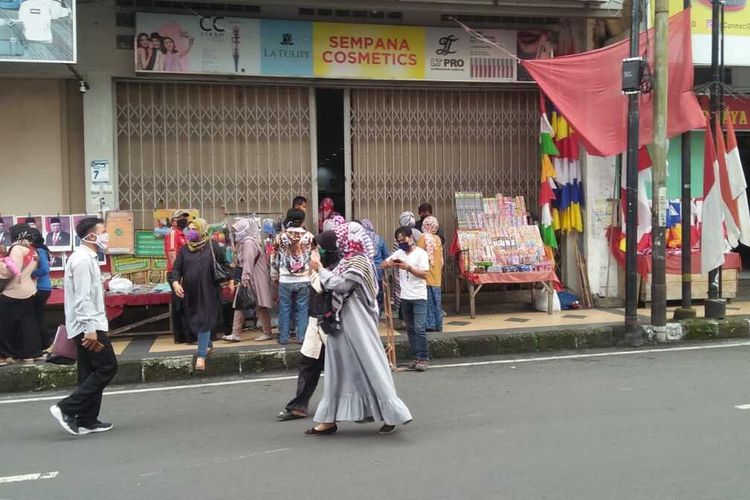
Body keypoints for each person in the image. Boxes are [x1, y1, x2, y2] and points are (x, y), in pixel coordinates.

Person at [307, 222, 412, 436]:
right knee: (337, 367)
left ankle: (392, 414)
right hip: (340, 320)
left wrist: (319, 269)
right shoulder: (347, 260)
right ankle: (328, 419)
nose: (337, 242)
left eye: (339, 237)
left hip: (358, 321)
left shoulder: (360, 261)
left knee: (370, 363)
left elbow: (342, 285)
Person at [49, 218, 118, 436]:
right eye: (103, 231)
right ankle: (66, 407)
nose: (106, 236)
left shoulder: (88, 258)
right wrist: (90, 328)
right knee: (107, 367)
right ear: (90, 235)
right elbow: (82, 298)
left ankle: (87, 419)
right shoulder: (82, 260)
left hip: (89, 323)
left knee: (89, 371)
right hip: (88, 326)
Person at [277, 230, 339, 421]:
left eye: (317, 247)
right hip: (315, 321)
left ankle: (364, 404)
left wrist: (317, 268)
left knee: (342, 368)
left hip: (331, 325)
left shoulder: (338, 267)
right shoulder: (318, 265)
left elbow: (324, 287)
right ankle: (298, 406)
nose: (314, 250)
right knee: (307, 363)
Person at [170, 218, 230, 371]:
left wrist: (228, 280)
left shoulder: (213, 246)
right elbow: (176, 269)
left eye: (194, 229)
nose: (191, 232)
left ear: (202, 230)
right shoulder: (184, 249)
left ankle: (201, 356)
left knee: (204, 319)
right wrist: (176, 282)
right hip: (191, 292)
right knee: (196, 320)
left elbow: (224, 264)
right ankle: (208, 344)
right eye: (189, 229)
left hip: (209, 290)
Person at [384, 226, 430, 371]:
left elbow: (425, 274)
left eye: (403, 240)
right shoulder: (399, 253)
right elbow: (383, 264)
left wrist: (408, 268)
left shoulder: (421, 254)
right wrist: (392, 263)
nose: (401, 243)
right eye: (399, 241)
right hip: (405, 296)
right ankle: (416, 357)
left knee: (419, 328)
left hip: (419, 296)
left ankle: (423, 359)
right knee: (410, 329)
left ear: (410, 237)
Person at [224, 218, 274, 342]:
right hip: (254, 277)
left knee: (251, 305)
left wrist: (244, 280)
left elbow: (248, 262)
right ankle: (237, 333)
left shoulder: (248, 243)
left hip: (253, 278)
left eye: (238, 230)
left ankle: (264, 332)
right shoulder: (248, 242)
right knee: (246, 304)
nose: (236, 233)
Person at [0, 224, 42, 366]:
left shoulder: (17, 249)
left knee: (6, 326)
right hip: (29, 290)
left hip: (13, 292)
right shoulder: (32, 250)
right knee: (28, 325)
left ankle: (7, 354)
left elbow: (11, 271)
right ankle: (30, 354)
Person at [270, 209, 313, 345]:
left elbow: (274, 257)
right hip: (304, 278)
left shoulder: (280, 236)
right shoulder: (310, 236)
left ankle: (283, 338)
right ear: (303, 221)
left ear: (289, 219)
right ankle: (302, 338)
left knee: (284, 308)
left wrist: (274, 275)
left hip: (285, 279)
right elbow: (314, 257)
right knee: (302, 309)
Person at [165, 210, 196, 344]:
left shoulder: (184, 234)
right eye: (180, 218)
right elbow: (172, 254)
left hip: (182, 272)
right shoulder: (173, 233)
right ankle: (184, 336)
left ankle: (184, 336)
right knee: (181, 305)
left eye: (185, 217)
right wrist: (177, 276)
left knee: (183, 304)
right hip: (176, 273)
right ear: (173, 221)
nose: (183, 219)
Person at [416, 216, 444, 332]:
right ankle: (438, 324)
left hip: (426, 274)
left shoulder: (423, 237)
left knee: (427, 301)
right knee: (436, 301)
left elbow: (417, 254)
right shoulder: (437, 238)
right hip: (437, 274)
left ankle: (429, 324)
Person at [29, 228, 53, 349]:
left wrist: (30, 274)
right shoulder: (42, 249)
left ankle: (44, 343)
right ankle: (44, 343)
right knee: (38, 316)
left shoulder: (39, 250)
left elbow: (44, 269)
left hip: (40, 288)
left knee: (38, 317)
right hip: (43, 288)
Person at [361, 219, 389, 313]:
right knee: (378, 292)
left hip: (365, 270)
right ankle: (378, 312)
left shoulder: (360, 238)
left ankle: (367, 312)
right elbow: (386, 255)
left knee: (366, 292)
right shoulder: (379, 239)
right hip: (378, 271)